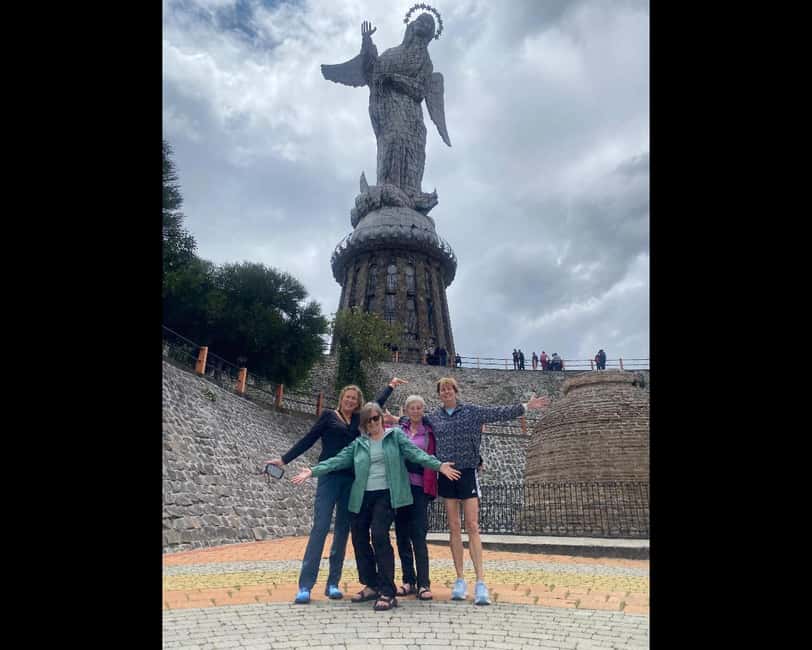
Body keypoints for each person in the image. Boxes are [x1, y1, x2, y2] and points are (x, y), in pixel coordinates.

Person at [291, 402, 460, 612]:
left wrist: (439, 465)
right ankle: (371, 584)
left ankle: (387, 591)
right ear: (364, 425)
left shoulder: (395, 436)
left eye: (375, 418)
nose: (373, 423)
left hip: (386, 494)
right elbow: (338, 460)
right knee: (359, 537)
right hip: (362, 495)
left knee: (379, 534)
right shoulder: (359, 444)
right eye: (368, 421)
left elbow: (416, 454)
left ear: (381, 418)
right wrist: (313, 471)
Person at [264, 377, 408, 604]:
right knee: (320, 528)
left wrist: (390, 387)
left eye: (354, 399)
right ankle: (305, 585)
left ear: (358, 403)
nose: (350, 401)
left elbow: (376, 406)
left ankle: (333, 582)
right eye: (347, 397)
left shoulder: (359, 420)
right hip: (329, 477)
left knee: (342, 531)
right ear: (341, 399)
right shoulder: (328, 417)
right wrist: (284, 459)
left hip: (351, 480)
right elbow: (308, 439)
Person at [427, 377, 549, 605]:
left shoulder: (472, 411)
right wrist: (393, 419)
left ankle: (480, 581)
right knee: (453, 526)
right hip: (446, 472)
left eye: (449, 388)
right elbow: (414, 421)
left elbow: (498, 413)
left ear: (455, 391)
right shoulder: (434, 417)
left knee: (472, 525)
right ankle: (460, 579)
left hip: (467, 471)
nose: (446, 392)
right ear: (439, 394)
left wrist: (525, 406)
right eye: (442, 389)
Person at [392, 395, 438, 601]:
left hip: (420, 486)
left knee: (418, 534)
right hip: (401, 486)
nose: (416, 411)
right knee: (402, 534)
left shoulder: (429, 431)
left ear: (423, 410)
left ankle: (424, 583)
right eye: (412, 407)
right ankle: (408, 580)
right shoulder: (399, 430)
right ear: (406, 410)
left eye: (419, 407)